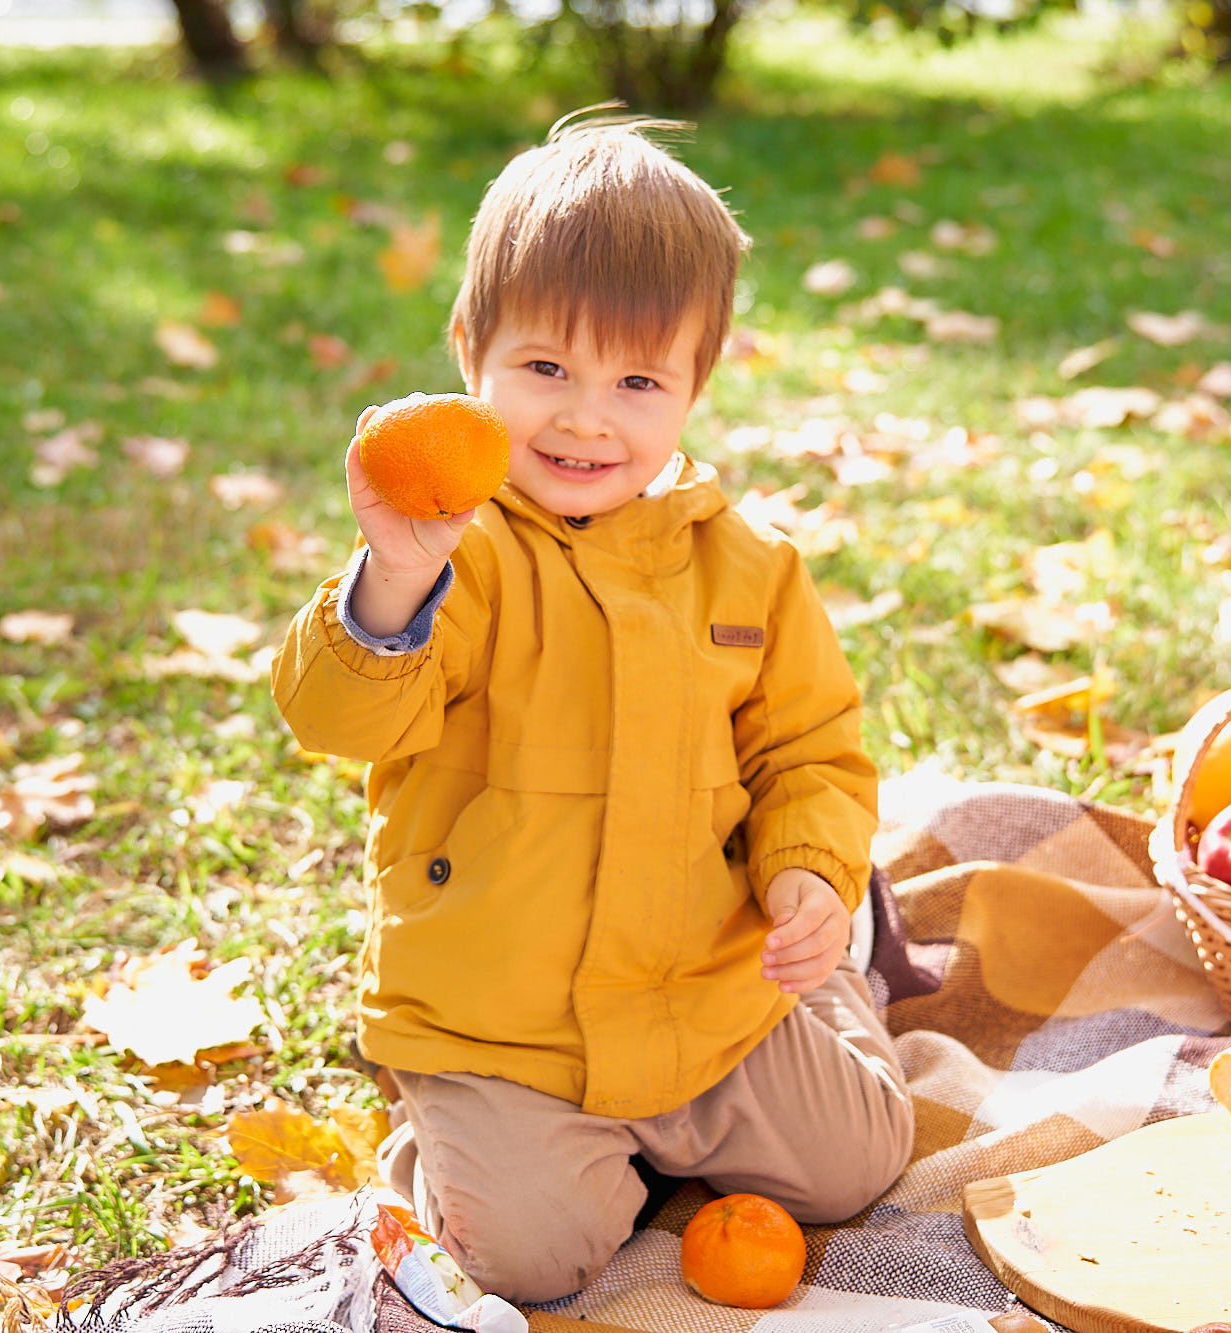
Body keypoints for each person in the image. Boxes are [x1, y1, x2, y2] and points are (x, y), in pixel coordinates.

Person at [271, 111, 913, 1305]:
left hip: (702, 994)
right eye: (545, 370)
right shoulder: (451, 557)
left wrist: (807, 876)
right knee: (524, 1257)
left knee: (859, 1161)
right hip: (500, 1024)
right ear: (470, 349)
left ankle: (838, 969)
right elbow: (336, 719)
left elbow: (809, 751)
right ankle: (459, 1149)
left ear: (693, 385)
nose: (583, 419)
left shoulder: (750, 567)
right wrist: (393, 585)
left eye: (634, 381)